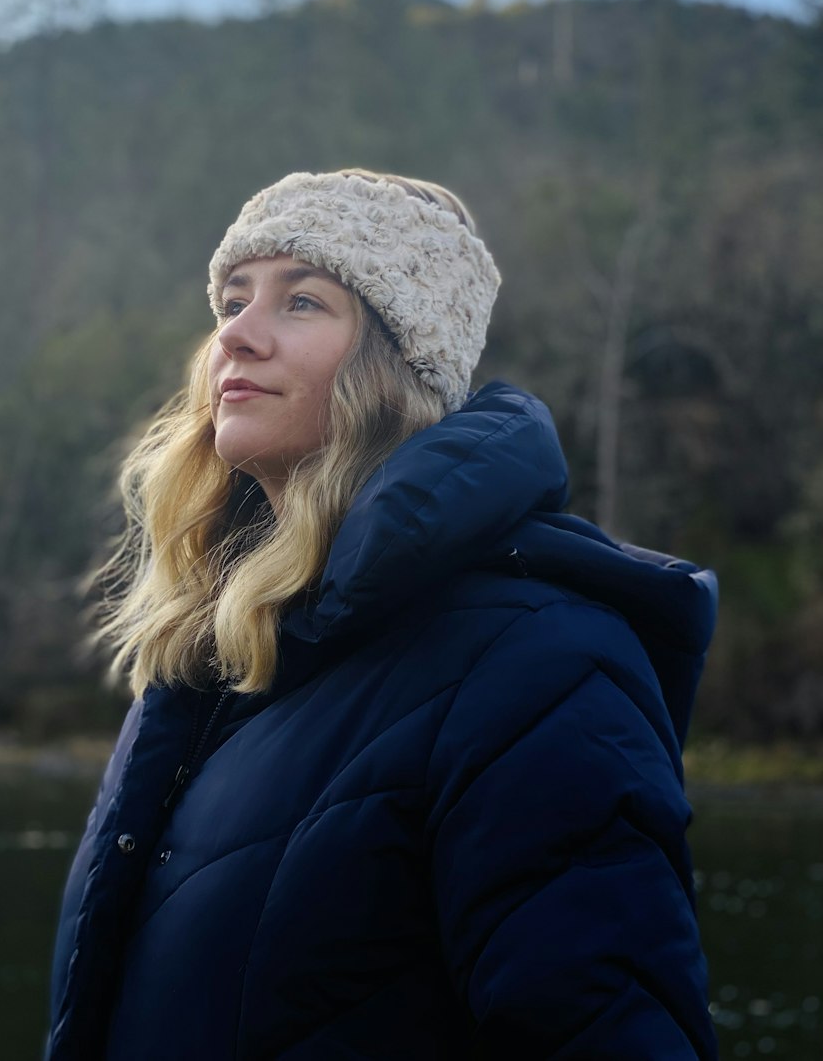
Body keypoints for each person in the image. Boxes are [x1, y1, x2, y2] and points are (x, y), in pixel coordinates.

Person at [46, 169, 718, 1060]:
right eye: (233, 299)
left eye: (303, 302)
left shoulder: (543, 664)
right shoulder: (211, 657)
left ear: (400, 364)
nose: (236, 336)